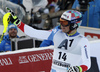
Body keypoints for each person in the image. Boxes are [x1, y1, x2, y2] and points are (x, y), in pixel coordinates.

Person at [4, 9, 91, 72]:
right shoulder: (56, 33)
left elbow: (87, 63)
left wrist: (79, 69)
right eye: (61, 21)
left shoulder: (82, 40)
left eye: (65, 23)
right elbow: (34, 33)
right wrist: (17, 22)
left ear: (74, 25)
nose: (61, 25)